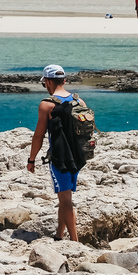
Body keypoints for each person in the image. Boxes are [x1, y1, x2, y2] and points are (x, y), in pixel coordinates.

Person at [27, 65, 86, 242]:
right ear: (64, 80)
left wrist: (31, 159)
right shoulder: (79, 101)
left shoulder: (47, 104)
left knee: (65, 199)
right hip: (78, 157)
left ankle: (75, 241)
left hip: (60, 158)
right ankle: (59, 235)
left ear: (47, 81)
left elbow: (38, 136)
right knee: (65, 196)